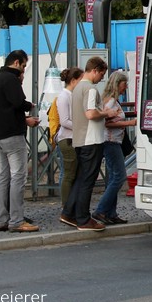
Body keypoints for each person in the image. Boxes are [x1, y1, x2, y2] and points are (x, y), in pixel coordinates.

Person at [0, 49, 40, 233]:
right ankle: (16, 220)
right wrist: (29, 106)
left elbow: (1, 109)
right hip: (12, 135)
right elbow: (18, 102)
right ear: (16, 62)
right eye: (23, 65)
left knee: (3, 176)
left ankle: (1, 219)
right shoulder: (10, 79)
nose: (23, 69)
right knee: (18, 176)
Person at [63, 56, 111, 231]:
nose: (101, 79)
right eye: (102, 74)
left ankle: (68, 212)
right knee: (87, 181)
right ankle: (83, 219)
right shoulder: (90, 89)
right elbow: (90, 114)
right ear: (95, 70)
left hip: (80, 139)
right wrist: (106, 112)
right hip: (91, 139)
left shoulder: (76, 88)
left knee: (81, 178)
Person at [93, 71, 135, 225]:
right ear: (118, 84)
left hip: (112, 141)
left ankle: (111, 212)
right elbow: (107, 123)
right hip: (111, 142)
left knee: (112, 178)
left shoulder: (111, 101)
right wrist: (128, 123)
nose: (125, 88)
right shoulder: (110, 102)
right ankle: (101, 210)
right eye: (124, 85)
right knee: (119, 177)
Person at [55, 67, 83, 219]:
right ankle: (66, 206)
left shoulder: (70, 95)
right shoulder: (64, 96)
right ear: (73, 81)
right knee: (69, 174)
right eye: (80, 80)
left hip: (73, 137)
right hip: (67, 138)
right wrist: (81, 126)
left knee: (73, 172)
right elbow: (64, 120)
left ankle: (71, 205)